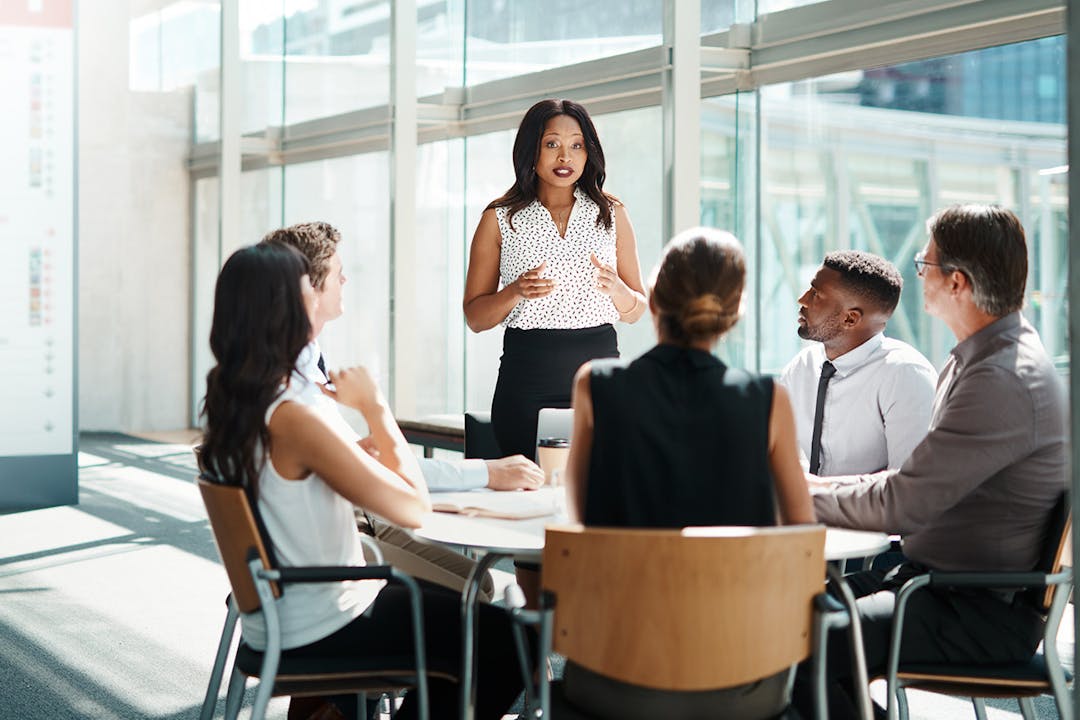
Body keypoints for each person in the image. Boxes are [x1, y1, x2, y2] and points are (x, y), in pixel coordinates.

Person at [198, 242, 524, 720]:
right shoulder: (292, 414)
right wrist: (376, 408)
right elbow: (412, 510)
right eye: (307, 289)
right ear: (284, 308)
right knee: (510, 642)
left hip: (287, 610)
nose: (317, 295)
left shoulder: (238, 399)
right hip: (326, 619)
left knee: (471, 626)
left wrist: (354, 452)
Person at [799, 205, 1067, 719]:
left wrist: (801, 496)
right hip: (936, 584)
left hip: (971, 608)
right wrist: (810, 486)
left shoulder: (1001, 378)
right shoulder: (982, 358)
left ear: (958, 284)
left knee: (800, 643)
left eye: (927, 264)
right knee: (788, 617)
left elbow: (906, 502)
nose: (919, 273)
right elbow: (912, 481)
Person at [262, 222, 543, 600]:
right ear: (307, 288)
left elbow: (355, 467)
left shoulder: (294, 374)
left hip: (339, 529)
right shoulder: (294, 397)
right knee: (475, 597)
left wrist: (356, 455)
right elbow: (408, 501)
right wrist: (374, 406)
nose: (345, 278)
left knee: (481, 582)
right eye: (335, 271)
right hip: (335, 555)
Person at [564, 227, 815, 529]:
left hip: (620, 576)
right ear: (735, 312)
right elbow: (802, 534)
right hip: (735, 577)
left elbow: (579, 520)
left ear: (653, 300)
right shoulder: (768, 398)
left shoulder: (595, 383)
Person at [463, 98, 647, 460]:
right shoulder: (499, 217)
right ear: (531, 149)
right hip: (526, 382)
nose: (566, 156)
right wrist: (514, 292)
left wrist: (617, 289)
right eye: (552, 144)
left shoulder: (612, 213)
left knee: (599, 491)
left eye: (577, 145)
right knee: (530, 487)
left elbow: (636, 309)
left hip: (600, 382)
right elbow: (475, 317)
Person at [779, 250, 937, 475]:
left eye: (816, 294)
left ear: (850, 318)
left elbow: (910, 487)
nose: (802, 299)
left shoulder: (905, 376)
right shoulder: (801, 367)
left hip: (867, 511)